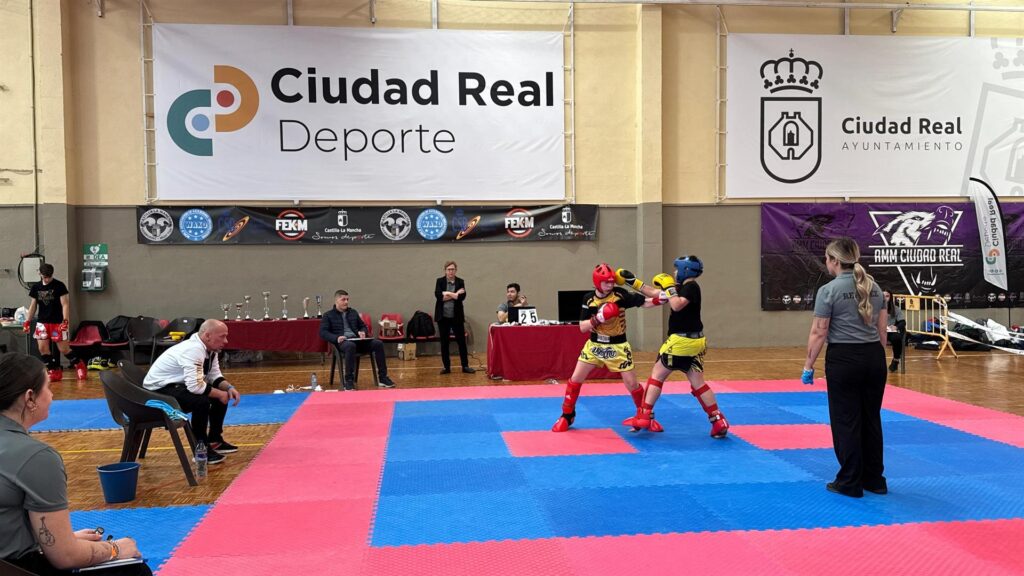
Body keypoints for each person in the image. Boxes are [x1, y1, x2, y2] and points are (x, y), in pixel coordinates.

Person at [0, 353, 152, 575]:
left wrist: (62, 539)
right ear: (30, 398)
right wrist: (115, 549)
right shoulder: (36, 457)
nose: (52, 395)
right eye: (48, 387)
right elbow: (65, 557)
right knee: (134, 569)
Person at [802, 237, 888, 498]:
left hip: (845, 360)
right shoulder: (874, 286)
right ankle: (874, 480)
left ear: (834, 261)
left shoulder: (828, 290)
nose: (826, 263)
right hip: (874, 358)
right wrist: (875, 359)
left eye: (827, 259)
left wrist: (808, 365)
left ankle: (850, 481)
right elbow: (882, 332)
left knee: (846, 420)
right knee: (871, 418)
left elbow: (819, 332)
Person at [621, 256, 729, 437]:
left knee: (657, 376)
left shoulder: (691, 287)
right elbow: (656, 294)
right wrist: (633, 282)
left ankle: (644, 416)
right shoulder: (681, 288)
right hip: (695, 342)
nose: (675, 272)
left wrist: (670, 288)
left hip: (681, 342)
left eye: (677, 269)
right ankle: (718, 421)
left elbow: (677, 305)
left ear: (686, 270)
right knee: (698, 384)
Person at [552, 263, 667, 432]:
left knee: (632, 384)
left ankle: (646, 417)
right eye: (606, 282)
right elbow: (582, 327)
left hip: (618, 346)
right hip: (595, 345)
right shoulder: (588, 299)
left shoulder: (620, 294)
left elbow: (644, 302)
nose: (610, 284)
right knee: (575, 379)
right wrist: (598, 318)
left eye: (612, 281)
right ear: (597, 282)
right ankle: (567, 415)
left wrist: (660, 300)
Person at [142, 319, 241, 465]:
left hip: (176, 386)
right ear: (207, 336)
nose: (226, 341)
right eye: (222, 336)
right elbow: (195, 387)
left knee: (219, 395)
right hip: (157, 392)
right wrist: (221, 394)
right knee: (201, 402)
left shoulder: (210, 349)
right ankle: (200, 450)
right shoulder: (193, 349)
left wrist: (229, 388)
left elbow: (214, 375)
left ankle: (215, 440)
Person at [319, 290, 396, 390]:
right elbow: (323, 332)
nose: (346, 302)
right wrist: (336, 338)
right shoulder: (328, 315)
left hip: (357, 340)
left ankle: (383, 377)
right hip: (342, 342)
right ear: (336, 301)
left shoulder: (353, 312)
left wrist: (362, 332)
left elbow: (363, 326)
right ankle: (349, 380)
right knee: (350, 346)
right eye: (343, 299)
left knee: (378, 343)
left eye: (347, 299)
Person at [23, 264, 87, 382]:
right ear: (40, 274)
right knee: (43, 348)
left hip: (57, 323)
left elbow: (65, 304)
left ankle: (79, 364)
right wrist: (27, 321)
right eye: (45, 277)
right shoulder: (36, 287)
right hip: (42, 323)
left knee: (64, 349)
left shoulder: (59, 285)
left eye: (49, 277)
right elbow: (33, 305)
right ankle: (54, 370)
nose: (47, 279)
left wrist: (65, 321)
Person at [434, 261, 475, 374]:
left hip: (456, 317)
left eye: (453, 269)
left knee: (461, 342)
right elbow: (439, 297)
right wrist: (455, 294)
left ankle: (465, 366)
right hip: (443, 317)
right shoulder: (440, 281)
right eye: (449, 269)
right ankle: (446, 367)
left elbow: (461, 297)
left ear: (456, 270)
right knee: (444, 343)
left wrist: (447, 293)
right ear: (445, 270)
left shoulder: (460, 281)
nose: (451, 271)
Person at [883, 291, 906, 372]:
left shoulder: (895, 309)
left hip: (891, 331)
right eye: (883, 296)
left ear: (890, 297)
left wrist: (896, 327)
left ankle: (896, 360)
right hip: (879, 331)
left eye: (887, 296)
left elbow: (902, 322)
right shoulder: (875, 307)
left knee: (896, 338)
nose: (885, 298)